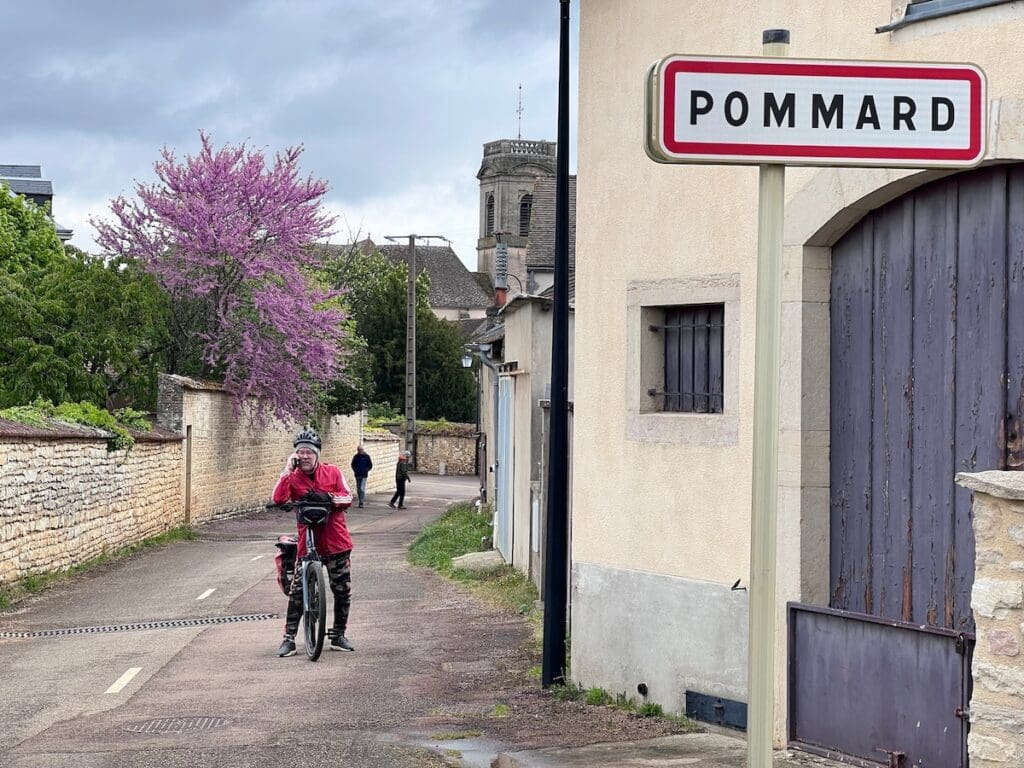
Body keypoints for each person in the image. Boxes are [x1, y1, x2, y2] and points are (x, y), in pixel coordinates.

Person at [272, 428, 356, 657]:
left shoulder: (333, 472)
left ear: (317, 454)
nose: (305, 456)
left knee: (342, 591)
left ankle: (338, 635)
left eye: (309, 452)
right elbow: (278, 499)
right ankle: (289, 639)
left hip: (336, 542)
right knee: (297, 593)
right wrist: (286, 471)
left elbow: (348, 497)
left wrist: (329, 498)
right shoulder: (293, 476)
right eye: (301, 452)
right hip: (307, 546)